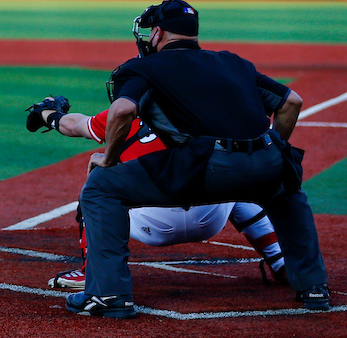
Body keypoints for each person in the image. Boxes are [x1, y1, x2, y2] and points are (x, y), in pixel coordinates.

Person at [66, 0, 328, 318]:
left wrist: (108, 158)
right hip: (266, 160)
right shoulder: (233, 62)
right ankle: (314, 287)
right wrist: (274, 150)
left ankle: (109, 295)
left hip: (204, 167)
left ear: (158, 33)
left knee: (101, 186)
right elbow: (292, 102)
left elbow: (122, 110)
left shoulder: (144, 67)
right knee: (287, 191)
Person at [26, 96, 287, 291]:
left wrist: (49, 113)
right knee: (234, 174)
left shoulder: (125, 112)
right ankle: (280, 260)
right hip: (211, 216)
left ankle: (89, 272)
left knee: (98, 181)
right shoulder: (212, 109)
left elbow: (74, 125)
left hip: (152, 224)